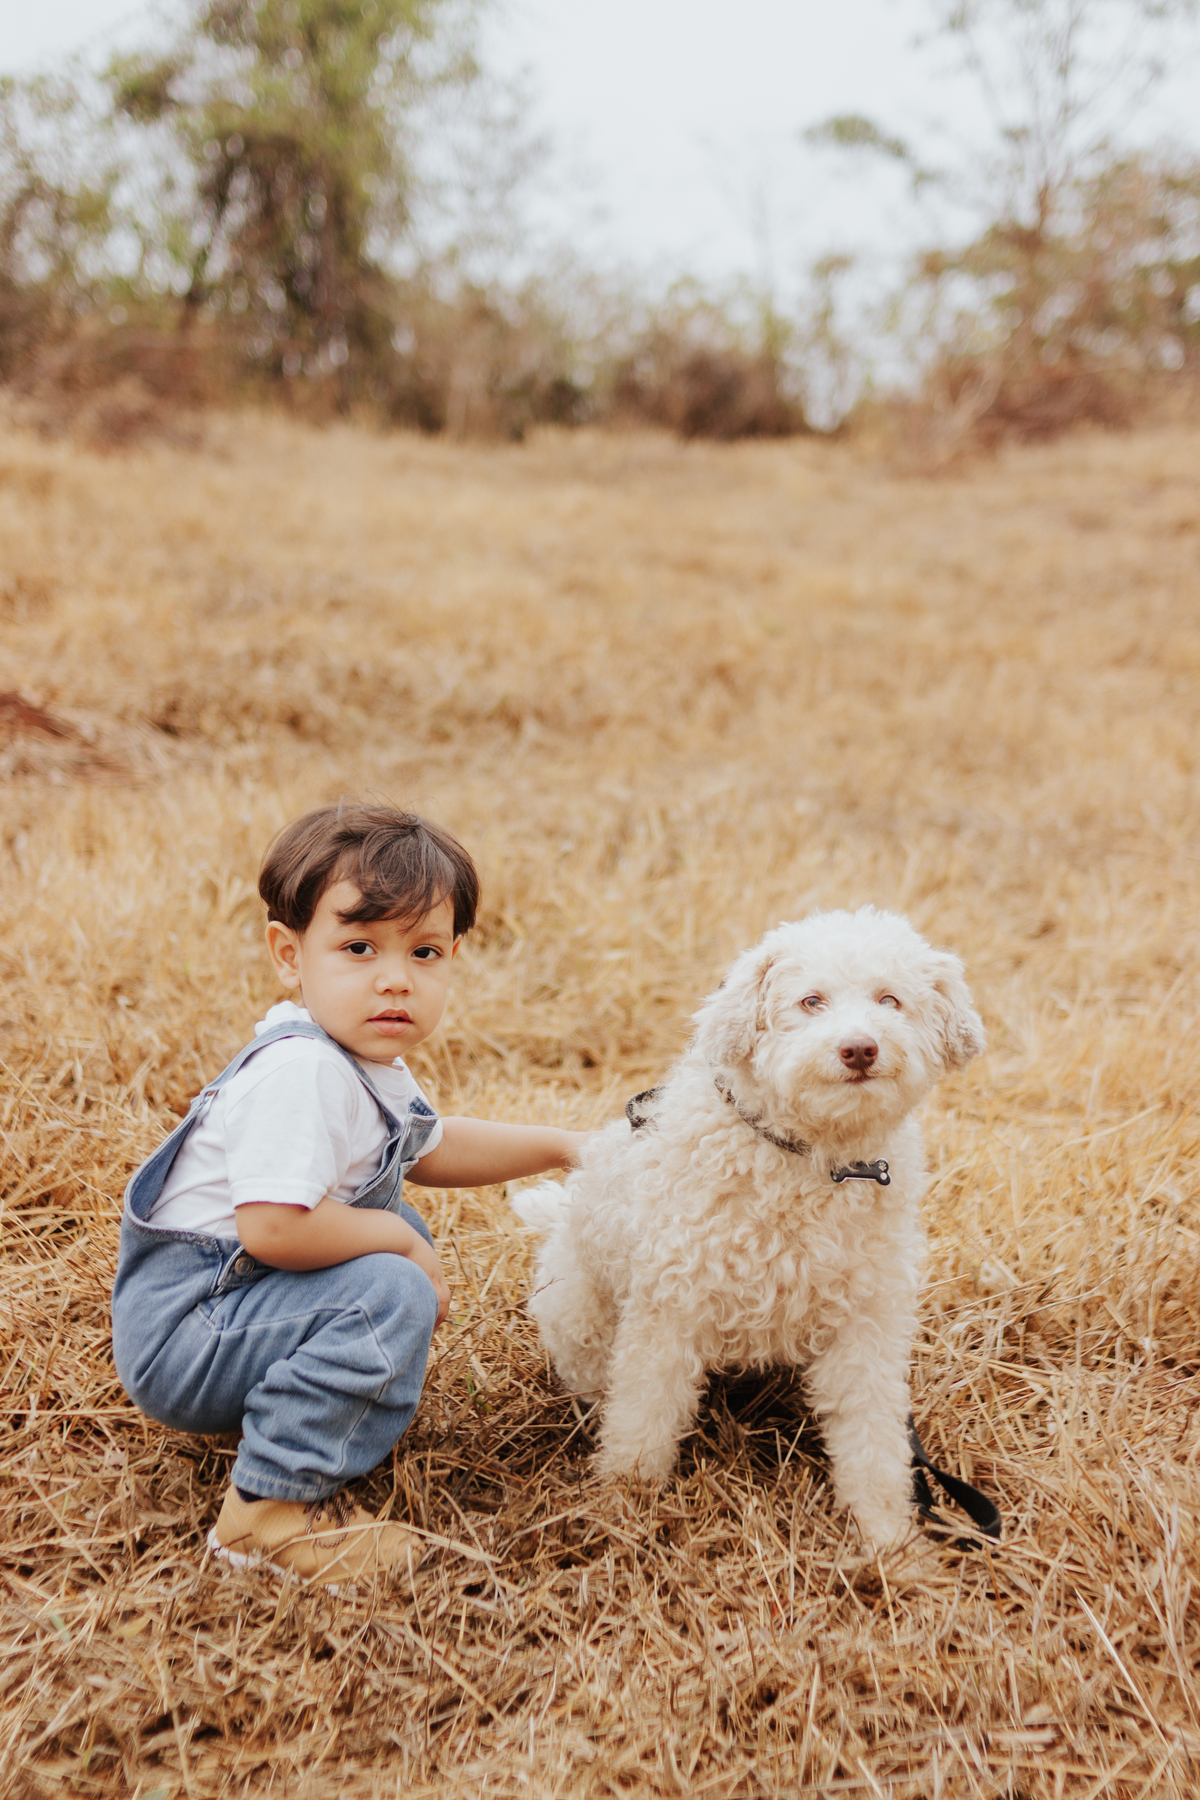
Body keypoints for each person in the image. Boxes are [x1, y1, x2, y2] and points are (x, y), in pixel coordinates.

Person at [111, 802, 586, 1588]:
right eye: (359, 947)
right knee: (388, 1274)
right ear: (289, 955)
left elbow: (432, 1147)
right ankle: (264, 1518)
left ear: (454, 957)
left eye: (425, 953)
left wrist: (563, 1147)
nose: (395, 977)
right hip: (190, 1328)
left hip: (231, 1308)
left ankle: (300, 1406)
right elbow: (271, 1229)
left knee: (392, 1215)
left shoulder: (359, 1061)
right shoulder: (303, 1072)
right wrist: (401, 1246)